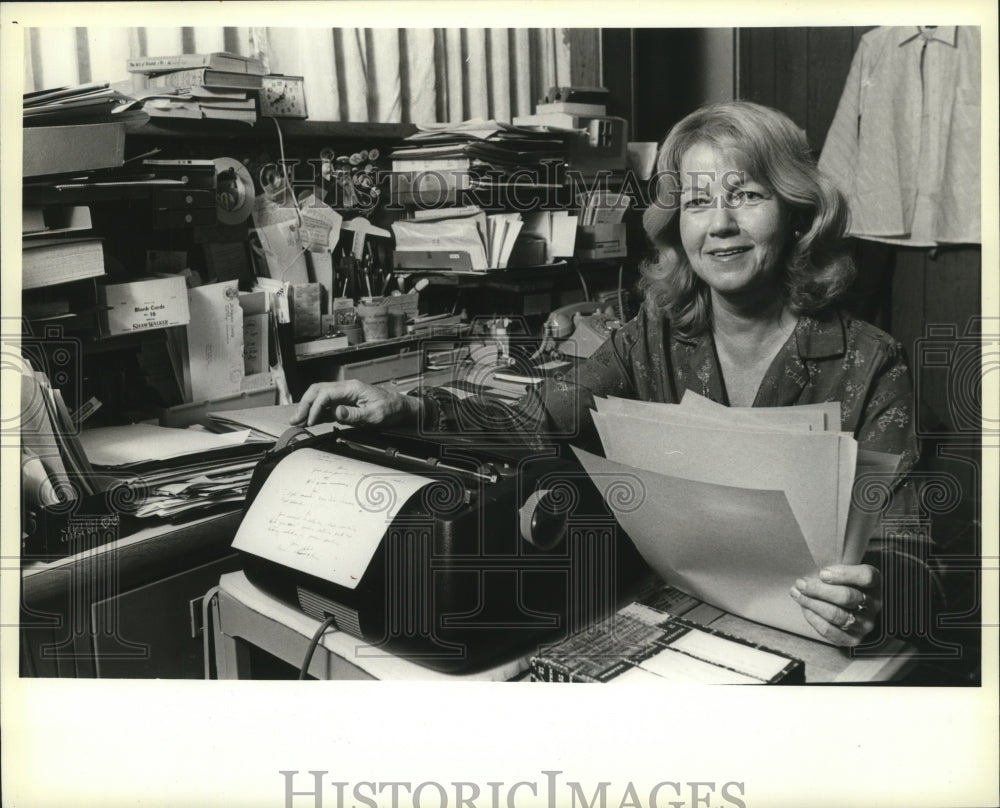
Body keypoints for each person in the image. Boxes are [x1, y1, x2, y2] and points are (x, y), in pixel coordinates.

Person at [292, 100, 925, 648]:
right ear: (677, 222)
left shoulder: (869, 362)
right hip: (677, 615)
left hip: (809, 639)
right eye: (698, 201)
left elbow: (912, 554)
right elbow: (532, 420)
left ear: (795, 212)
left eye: (748, 194)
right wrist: (408, 407)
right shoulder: (652, 336)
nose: (721, 223)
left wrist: (874, 597)